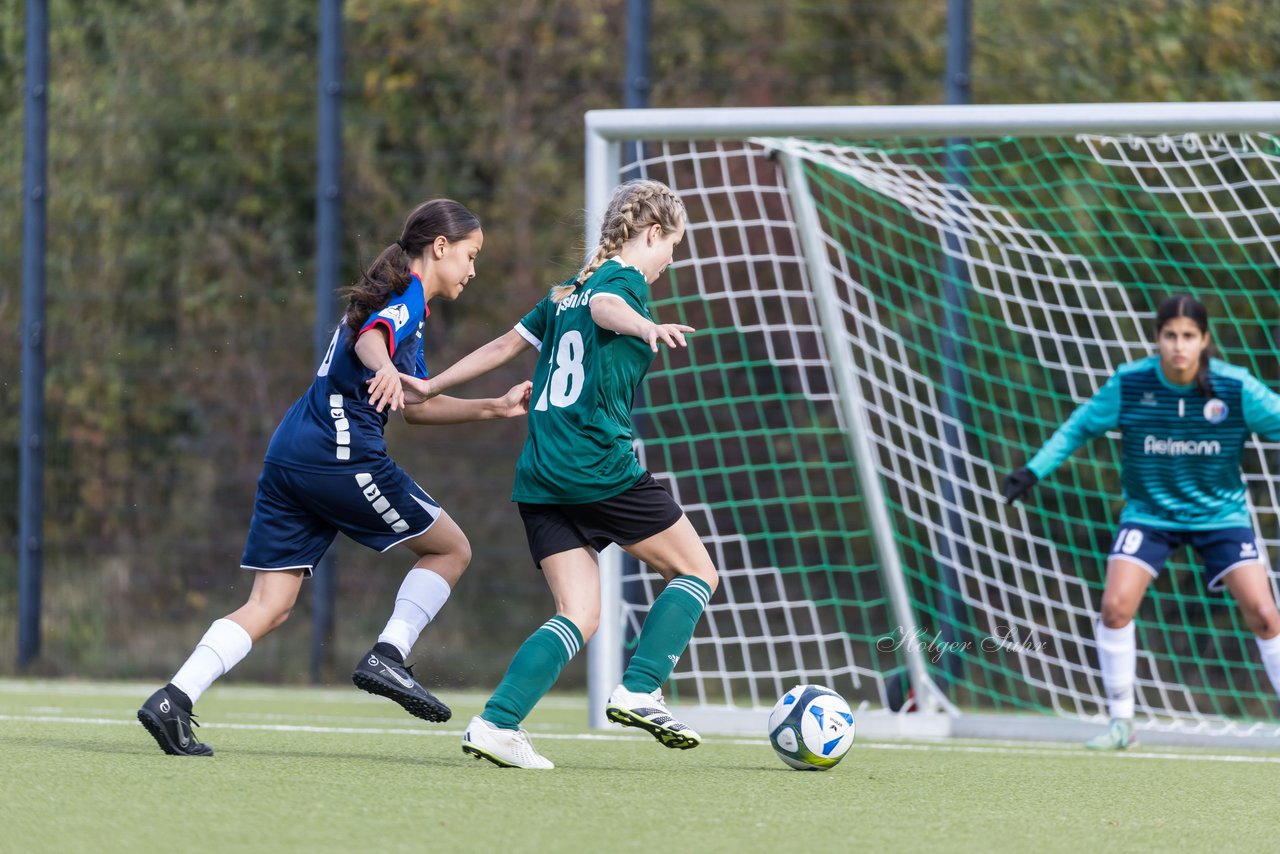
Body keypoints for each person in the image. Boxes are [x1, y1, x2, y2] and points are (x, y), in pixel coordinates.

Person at [138, 199, 531, 756]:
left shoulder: (402, 305)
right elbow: (371, 340)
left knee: (271, 603)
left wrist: (493, 407)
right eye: (471, 255)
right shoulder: (407, 299)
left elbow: (416, 405)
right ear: (440, 248)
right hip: (339, 454)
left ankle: (174, 699)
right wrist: (385, 367)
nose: (473, 269)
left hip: (292, 452)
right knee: (451, 550)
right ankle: (388, 656)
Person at [398, 179, 719, 769]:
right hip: (595, 465)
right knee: (697, 571)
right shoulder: (615, 285)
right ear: (653, 234)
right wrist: (645, 327)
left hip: (541, 476)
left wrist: (432, 383)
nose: (671, 259)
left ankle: (496, 724)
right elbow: (608, 308)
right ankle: (643, 688)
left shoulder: (564, 292)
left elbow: (502, 346)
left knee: (580, 613)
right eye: (672, 245)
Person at [1003, 294, 1280, 750]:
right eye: (1170, 335)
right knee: (1115, 606)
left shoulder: (1236, 388)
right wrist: (1033, 470)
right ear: (1157, 340)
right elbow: (1078, 427)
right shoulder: (1130, 384)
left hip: (1220, 516)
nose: (1179, 345)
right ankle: (1121, 723)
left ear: (1204, 340)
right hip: (1149, 515)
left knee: (1266, 615)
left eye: (1189, 336)